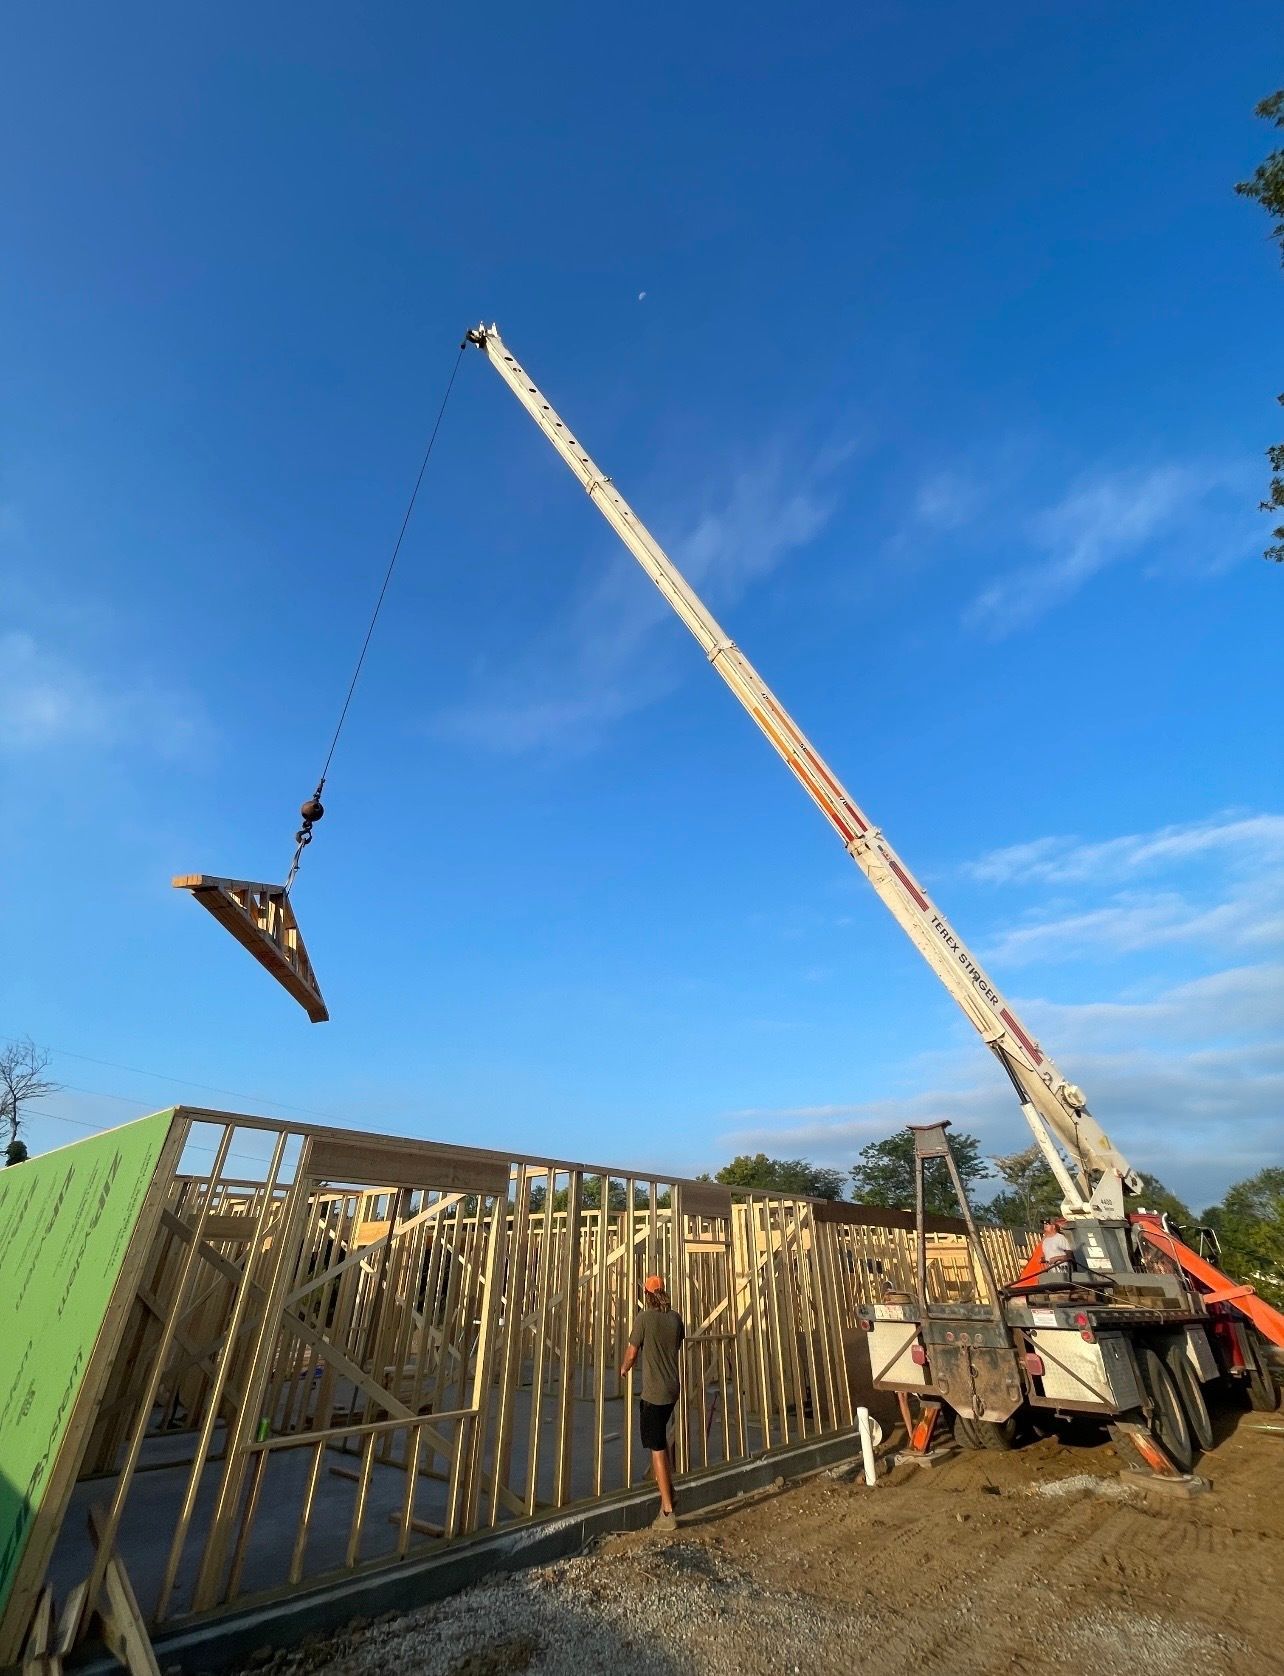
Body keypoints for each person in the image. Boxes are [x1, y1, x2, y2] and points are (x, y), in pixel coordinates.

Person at [621, 1274, 686, 1532]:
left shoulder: (644, 1319)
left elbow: (632, 1351)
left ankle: (668, 1511)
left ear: (647, 1296)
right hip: (672, 1390)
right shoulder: (675, 1318)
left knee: (656, 1446)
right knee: (659, 1440)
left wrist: (624, 1368)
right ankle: (669, 1491)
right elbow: (676, 1345)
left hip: (654, 1394)